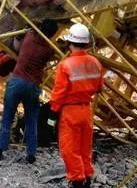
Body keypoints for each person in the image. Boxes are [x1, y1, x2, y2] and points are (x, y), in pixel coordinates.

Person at [0, 19, 59, 163]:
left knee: (7, 118)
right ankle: (31, 154)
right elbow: (53, 54)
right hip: (32, 86)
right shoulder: (49, 50)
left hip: (16, 82)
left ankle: (0, 150)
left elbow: (20, 34)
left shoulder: (29, 35)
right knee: (31, 121)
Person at [50, 24, 104, 188]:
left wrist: (53, 113)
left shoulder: (66, 65)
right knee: (84, 146)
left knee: (69, 148)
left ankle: (77, 180)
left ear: (70, 43)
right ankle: (87, 176)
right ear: (86, 43)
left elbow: (59, 92)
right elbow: (99, 87)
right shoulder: (95, 62)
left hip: (70, 111)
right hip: (86, 110)